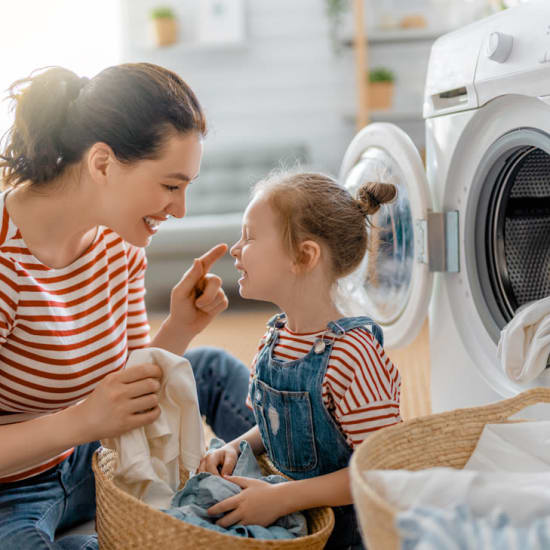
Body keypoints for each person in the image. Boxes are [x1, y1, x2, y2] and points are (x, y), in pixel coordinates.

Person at [0, 63, 255, 549]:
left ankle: (298, 483)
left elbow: (127, 383)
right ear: (102, 164)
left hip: (94, 453)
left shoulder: (120, 244)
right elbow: (96, 413)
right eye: (170, 185)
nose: (180, 210)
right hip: (12, 489)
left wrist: (180, 326)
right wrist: (82, 421)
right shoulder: (6, 263)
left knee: (210, 367)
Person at [198, 171, 402, 549]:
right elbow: (277, 424)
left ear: (304, 256)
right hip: (292, 519)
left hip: (350, 534)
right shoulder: (275, 338)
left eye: (250, 236)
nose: (235, 248)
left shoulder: (353, 355)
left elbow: (379, 469)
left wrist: (281, 498)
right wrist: (236, 447)